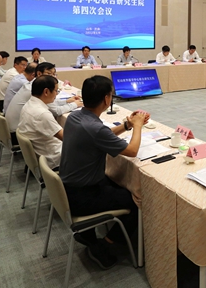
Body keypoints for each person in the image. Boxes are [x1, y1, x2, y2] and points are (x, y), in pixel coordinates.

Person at [59, 75, 149, 269]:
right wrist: (138, 126)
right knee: (138, 201)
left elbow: (102, 135)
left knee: (117, 182)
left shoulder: (75, 116)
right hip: (82, 196)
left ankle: (89, 234)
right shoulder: (95, 128)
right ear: (107, 99)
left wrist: (127, 125)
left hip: (68, 188)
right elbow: (132, 151)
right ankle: (104, 245)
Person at [5, 62, 82, 132]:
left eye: (54, 74)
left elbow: (49, 103)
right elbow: (56, 111)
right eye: (49, 74)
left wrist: (67, 101)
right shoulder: (36, 89)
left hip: (14, 127)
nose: (53, 77)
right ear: (39, 73)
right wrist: (75, 104)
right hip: (16, 130)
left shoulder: (33, 84)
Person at [17, 76, 63, 169]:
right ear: (46, 92)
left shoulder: (28, 104)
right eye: (56, 91)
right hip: (53, 158)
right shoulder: (42, 114)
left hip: (42, 152)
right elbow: (66, 138)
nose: (56, 94)